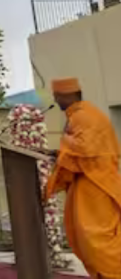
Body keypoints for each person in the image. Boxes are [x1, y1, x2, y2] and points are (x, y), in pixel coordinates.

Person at [45, 77, 121, 279]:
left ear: (68, 95)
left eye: (57, 96)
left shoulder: (84, 116)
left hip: (97, 184)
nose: (55, 99)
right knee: (90, 239)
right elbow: (81, 149)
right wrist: (61, 152)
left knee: (95, 240)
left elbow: (84, 149)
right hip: (90, 182)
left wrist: (64, 146)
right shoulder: (82, 115)